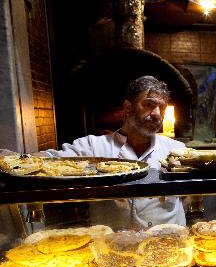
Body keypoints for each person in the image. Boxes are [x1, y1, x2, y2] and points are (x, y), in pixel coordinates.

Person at [1, 75, 186, 228]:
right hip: (112, 251)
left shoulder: (176, 150)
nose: (156, 113)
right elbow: (51, 160)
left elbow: (191, 195)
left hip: (170, 250)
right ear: (128, 107)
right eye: (149, 104)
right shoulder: (92, 146)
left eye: (161, 108)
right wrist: (13, 159)